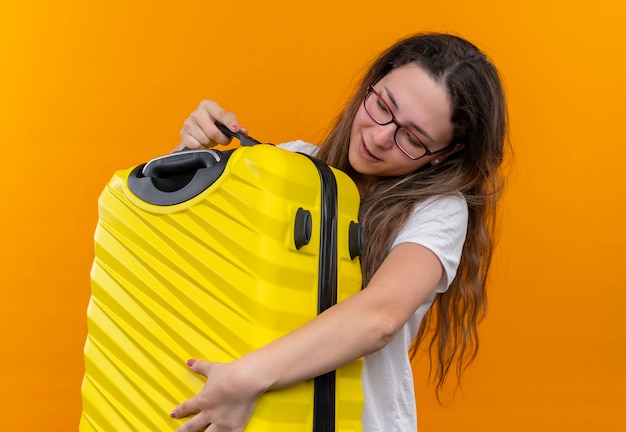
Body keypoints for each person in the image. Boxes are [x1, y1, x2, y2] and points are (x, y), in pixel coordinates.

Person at [169, 32, 508, 432]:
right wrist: (190, 156)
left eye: (413, 138)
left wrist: (244, 379)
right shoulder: (294, 161)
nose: (380, 137)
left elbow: (380, 316)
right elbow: (194, 258)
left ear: (444, 154)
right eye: (382, 105)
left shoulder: (438, 210)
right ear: (371, 84)